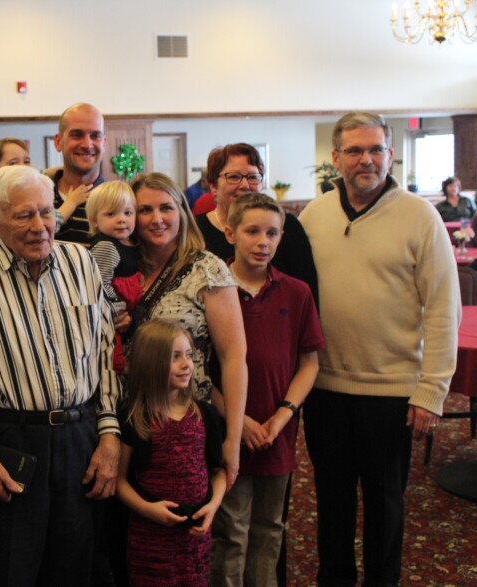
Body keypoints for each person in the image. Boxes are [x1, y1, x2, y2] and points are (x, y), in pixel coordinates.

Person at [299, 112, 460, 586]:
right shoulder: (313, 216)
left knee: (385, 504)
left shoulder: (420, 217)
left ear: (391, 155)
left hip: (392, 392)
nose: (366, 159)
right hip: (325, 388)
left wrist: (432, 390)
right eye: (354, 150)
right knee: (331, 500)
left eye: (375, 150)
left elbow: (444, 309)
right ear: (336, 158)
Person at [0, 164, 121, 585]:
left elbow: (103, 354)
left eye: (46, 212)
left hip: (79, 441)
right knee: (7, 570)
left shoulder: (81, 261)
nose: (41, 226)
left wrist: (109, 435)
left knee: (75, 570)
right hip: (10, 443)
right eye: (25, 215)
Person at [210, 193, 324, 587]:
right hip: (229, 430)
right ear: (230, 233)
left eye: (272, 233)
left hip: (277, 432)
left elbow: (309, 363)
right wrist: (237, 420)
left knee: (270, 528)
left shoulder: (297, 292)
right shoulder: (212, 290)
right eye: (252, 231)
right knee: (231, 530)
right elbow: (199, 373)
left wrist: (282, 416)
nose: (263, 242)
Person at [129, 171, 247, 488]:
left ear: (182, 211)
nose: (157, 219)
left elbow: (233, 358)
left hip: (186, 424)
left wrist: (233, 439)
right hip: (129, 420)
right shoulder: (120, 266)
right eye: (145, 210)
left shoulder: (207, 269)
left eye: (166, 208)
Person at [116, 318, 228, 587]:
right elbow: (119, 482)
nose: (186, 364)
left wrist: (212, 507)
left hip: (194, 539)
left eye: (189, 355)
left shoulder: (204, 414)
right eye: (175, 357)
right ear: (151, 363)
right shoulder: (135, 418)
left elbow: (220, 472)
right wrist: (148, 510)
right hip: (150, 538)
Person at [194, 143, 319, 305]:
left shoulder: (287, 226)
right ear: (213, 186)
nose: (245, 185)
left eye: (253, 177)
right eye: (233, 177)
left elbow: (307, 294)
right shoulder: (194, 231)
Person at [86, 180, 142, 373]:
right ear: (94, 220)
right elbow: (98, 282)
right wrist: (116, 308)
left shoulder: (130, 242)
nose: (121, 219)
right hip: (110, 315)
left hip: (126, 314)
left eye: (128, 213)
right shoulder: (106, 246)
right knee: (113, 363)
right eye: (111, 214)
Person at [51, 103, 108, 244]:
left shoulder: (115, 201)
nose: (87, 145)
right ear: (58, 142)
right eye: (77, 135)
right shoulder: (37, 196)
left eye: (95, 136)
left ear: (104, 143)